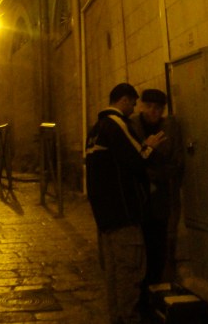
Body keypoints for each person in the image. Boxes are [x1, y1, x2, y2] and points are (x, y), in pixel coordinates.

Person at [85, 83, 166, 324]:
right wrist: (150, 146)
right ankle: (128, 319)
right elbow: (137, 159)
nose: (134, 108)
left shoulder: (95, 129)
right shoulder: (116, 124)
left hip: (105, 216)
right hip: (123, 213)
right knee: (130, 271)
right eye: (133, 103)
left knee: (114, 272)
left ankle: (117, 317)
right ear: (123, 100)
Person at [131, 88, 184, 293]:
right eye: (150, 107)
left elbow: (177, 162)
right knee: (139, 248)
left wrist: (157, 175)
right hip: (139, 198)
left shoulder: (170, 128)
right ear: (143, 106)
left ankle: (154, 289)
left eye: (158, 108)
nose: (154, 112)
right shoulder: (133, 126)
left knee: (158, 246)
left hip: (161, 197)